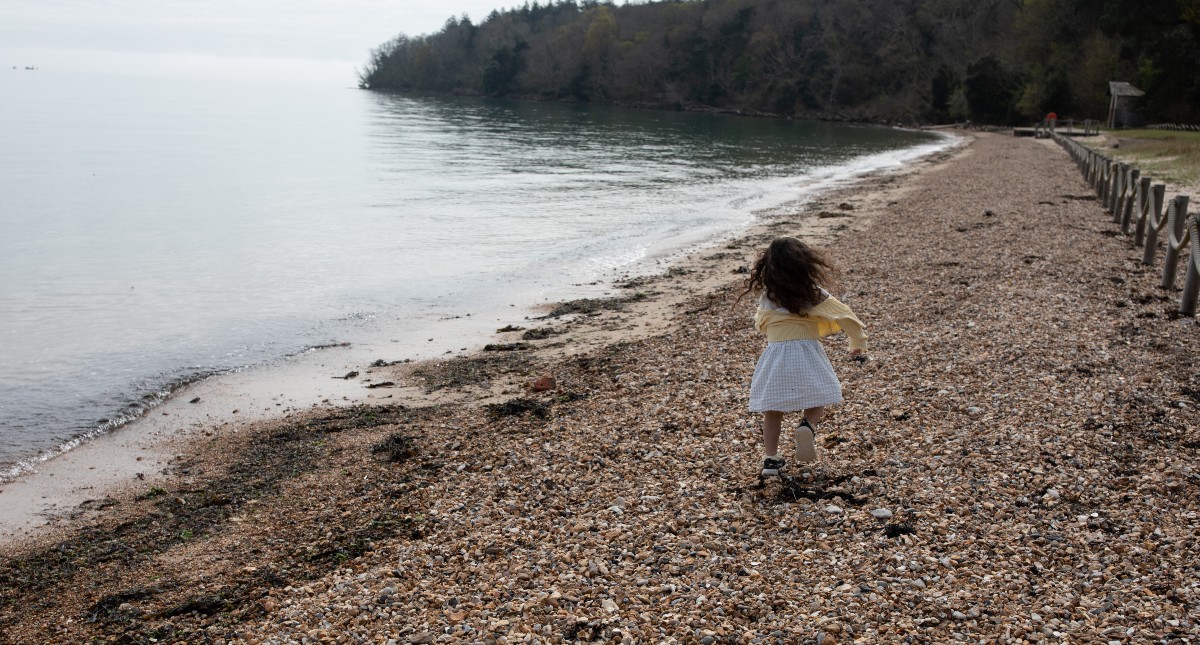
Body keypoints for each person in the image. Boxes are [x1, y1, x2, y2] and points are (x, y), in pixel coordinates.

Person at [739, 236, 867, 477]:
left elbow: (761, 324)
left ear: (769, 267)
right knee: (820, 393)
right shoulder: (813, 293)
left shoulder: (769, 295)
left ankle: (771, 460)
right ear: (805, 264)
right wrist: (857, 340)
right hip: (807, 350)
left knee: (772, 409)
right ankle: (807, 425)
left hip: (776, 353)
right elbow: (843, 315)